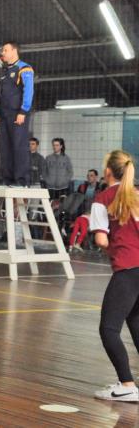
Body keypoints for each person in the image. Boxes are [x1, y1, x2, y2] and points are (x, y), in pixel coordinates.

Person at [90, 150, 139, 402]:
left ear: (108, 171)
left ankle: (127, 384)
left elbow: (101, 239)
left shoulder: (103, 198)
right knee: (136, 323)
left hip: (128, 269)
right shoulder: (137, 194)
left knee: (108, 328)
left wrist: (116, 250)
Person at [0, 42, 34, 187]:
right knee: (5, 148)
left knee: (18, 147)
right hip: (4, 115)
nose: (3, 53)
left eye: (5, 50)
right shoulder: (5, 72)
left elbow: (28, 91)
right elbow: (0, 94)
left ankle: (21, 180)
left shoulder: (24, 68)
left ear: (14, 51)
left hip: (17, 114)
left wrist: (23, 111)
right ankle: (7, 179)